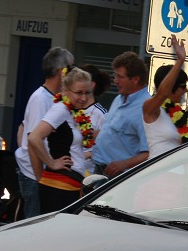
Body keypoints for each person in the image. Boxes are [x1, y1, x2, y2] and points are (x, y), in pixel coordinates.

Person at [15, 47, 74, 219]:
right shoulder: (41, 99)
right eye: (71, 68)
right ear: (61, 72)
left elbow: (22, 128)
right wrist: (45, 173)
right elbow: (33, 140)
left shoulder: (53, 97)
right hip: (35, 177)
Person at [27, 68, 94, 213]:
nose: (83, 98)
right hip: (59, 187)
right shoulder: (61, 109)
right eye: (79, 93)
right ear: (66, 90)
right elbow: (34, 137)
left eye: (87, 92)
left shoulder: (74, 111)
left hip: (69, 185)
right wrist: (50, 163)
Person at [92, 51, 150, 178]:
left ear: (135, 79)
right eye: (115, 76)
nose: (115, 81)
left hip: (119, 178)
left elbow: (149, 153)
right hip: (99, 169)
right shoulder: (119, 98)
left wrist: (124, 164)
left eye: (120, 77)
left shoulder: (146, 108)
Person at [142, 37, 188, 159]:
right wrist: (180, 60)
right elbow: (162, 94)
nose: (186, 90)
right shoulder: (150, 109)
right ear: (170, 88)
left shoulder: (180, 114)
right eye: (182, 86)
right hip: (158, 174)